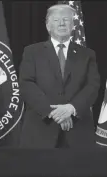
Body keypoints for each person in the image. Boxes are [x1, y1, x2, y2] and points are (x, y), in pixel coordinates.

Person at [19, 4, 100, 148]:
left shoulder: (88, 54)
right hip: (40, 132)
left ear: (73, 25)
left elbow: (92, 86)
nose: (62, 23)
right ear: (48, 26)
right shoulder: (31, 52)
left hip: (78, 132)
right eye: (56, 20)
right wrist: (53, 113)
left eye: (66, 19)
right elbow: (26, 84)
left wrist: (71, 108)